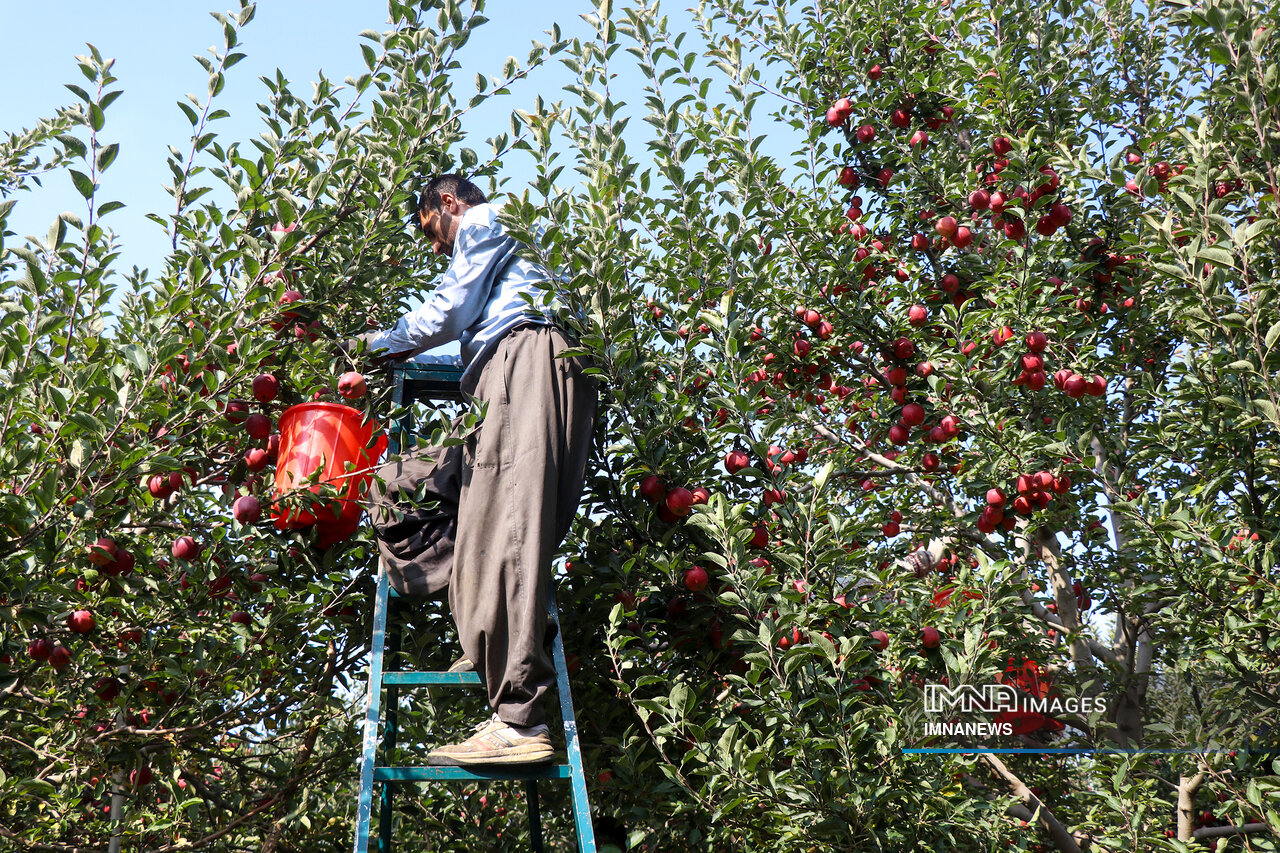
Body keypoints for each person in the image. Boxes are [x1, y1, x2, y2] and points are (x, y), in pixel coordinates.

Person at [355, 174, 598, 765]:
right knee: (399, 487)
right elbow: (470, 323)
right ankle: (482, 617)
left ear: (448, 202)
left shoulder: (487, 218)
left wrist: (379, 345)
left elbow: (452, 308)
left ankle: (519, 720)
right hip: (508, 376)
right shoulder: (513, 265)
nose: (436, 245)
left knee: (510, 528)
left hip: (525, 367)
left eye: (430, 230)